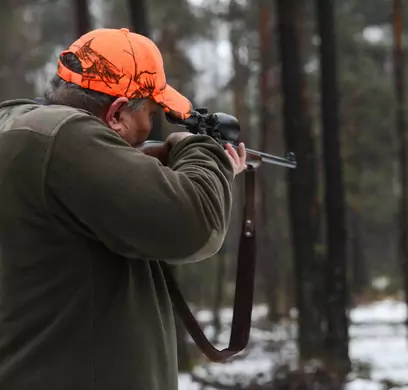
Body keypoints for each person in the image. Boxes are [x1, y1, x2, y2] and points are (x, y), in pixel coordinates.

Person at [0, 28, 247, 390]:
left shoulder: (19, 128)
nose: (151, 126)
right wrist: (201, 151)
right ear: (116, 114)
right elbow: (195, 224)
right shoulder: (62, 140)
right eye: (151, 113)